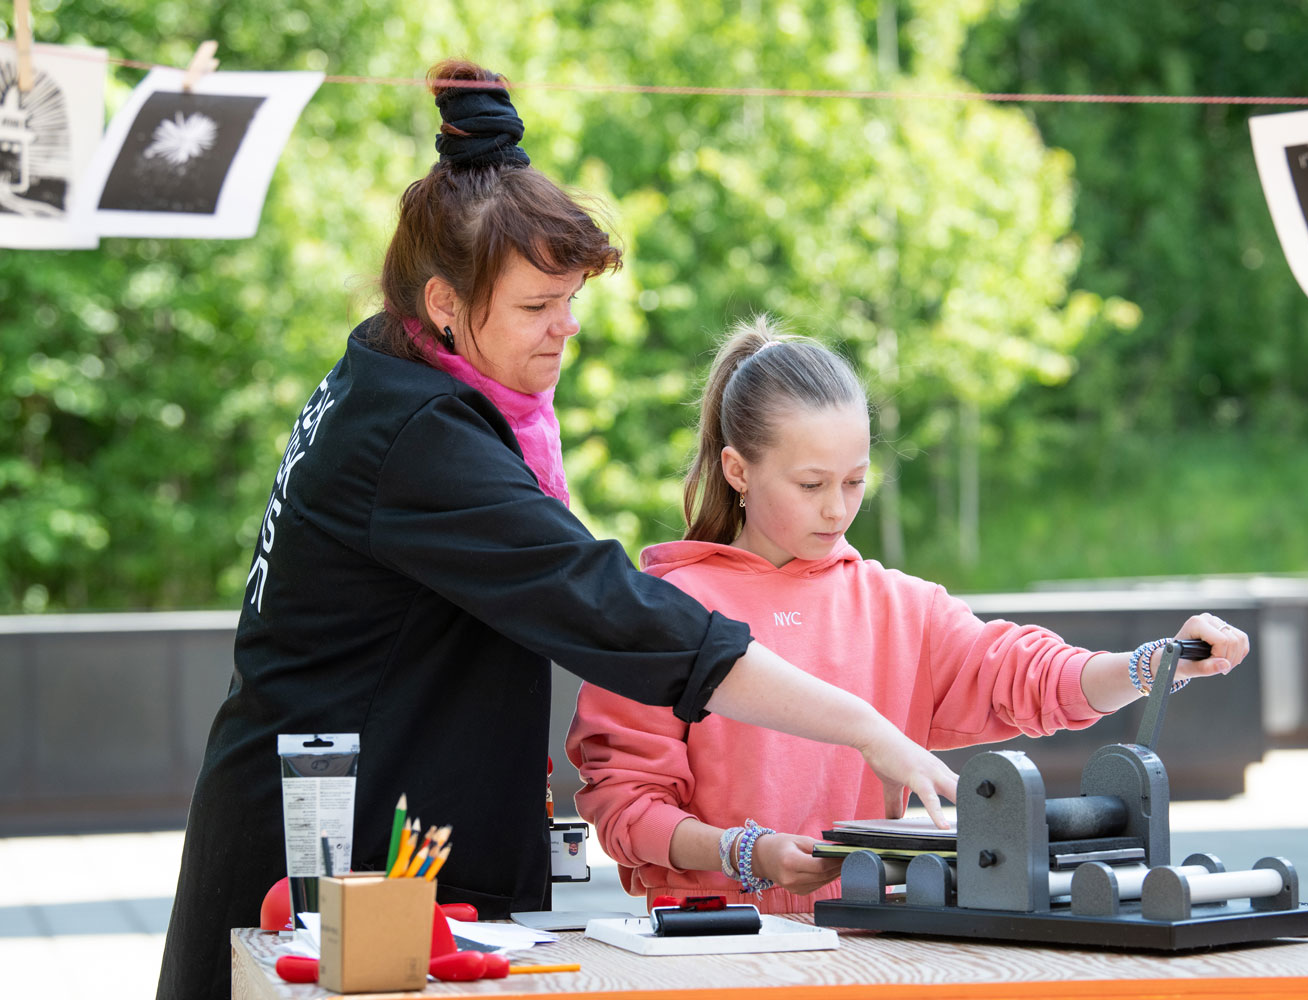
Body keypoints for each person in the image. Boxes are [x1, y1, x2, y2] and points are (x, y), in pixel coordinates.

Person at [155, 64, 957, 1000]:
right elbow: (606, 605)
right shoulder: (419, 437)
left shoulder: (383, 375)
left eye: (571, 300)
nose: (565, 330)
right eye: (537, 307)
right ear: (443, 304)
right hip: (332, 856)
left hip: (344, 832)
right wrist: (864, 727)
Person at [566, 315, 1251, 914]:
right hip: (712, 951)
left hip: (872, 943)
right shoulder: (662, 610)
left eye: (856, 480)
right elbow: (623, 807)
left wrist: (1150, 666)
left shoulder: (899, 605)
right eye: (811, 485)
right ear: (738, 470)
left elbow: (1026, 675)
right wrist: (747, 852)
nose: (838, 508)